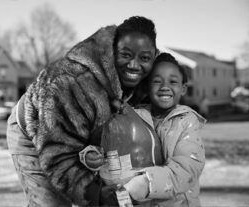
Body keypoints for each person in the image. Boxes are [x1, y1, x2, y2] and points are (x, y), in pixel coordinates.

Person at [6, 16, 158, 206]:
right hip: (37, 133)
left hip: (80, 141)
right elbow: (57, 155)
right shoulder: (72, 84)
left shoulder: (144, 81)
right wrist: (96, 194)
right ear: (111, 51)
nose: (134, 65)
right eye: (126, 55)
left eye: (144, 58)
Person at [84, 53, 206, 207]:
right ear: (147, 87)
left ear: (183, 89)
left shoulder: (187, 122)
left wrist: (144, 183)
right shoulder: (132, 116)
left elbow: (186, 170)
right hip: (135, 200)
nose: (164, 86)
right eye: (156, 81)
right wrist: (90, 156)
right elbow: (108, 143)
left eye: (173, 81)